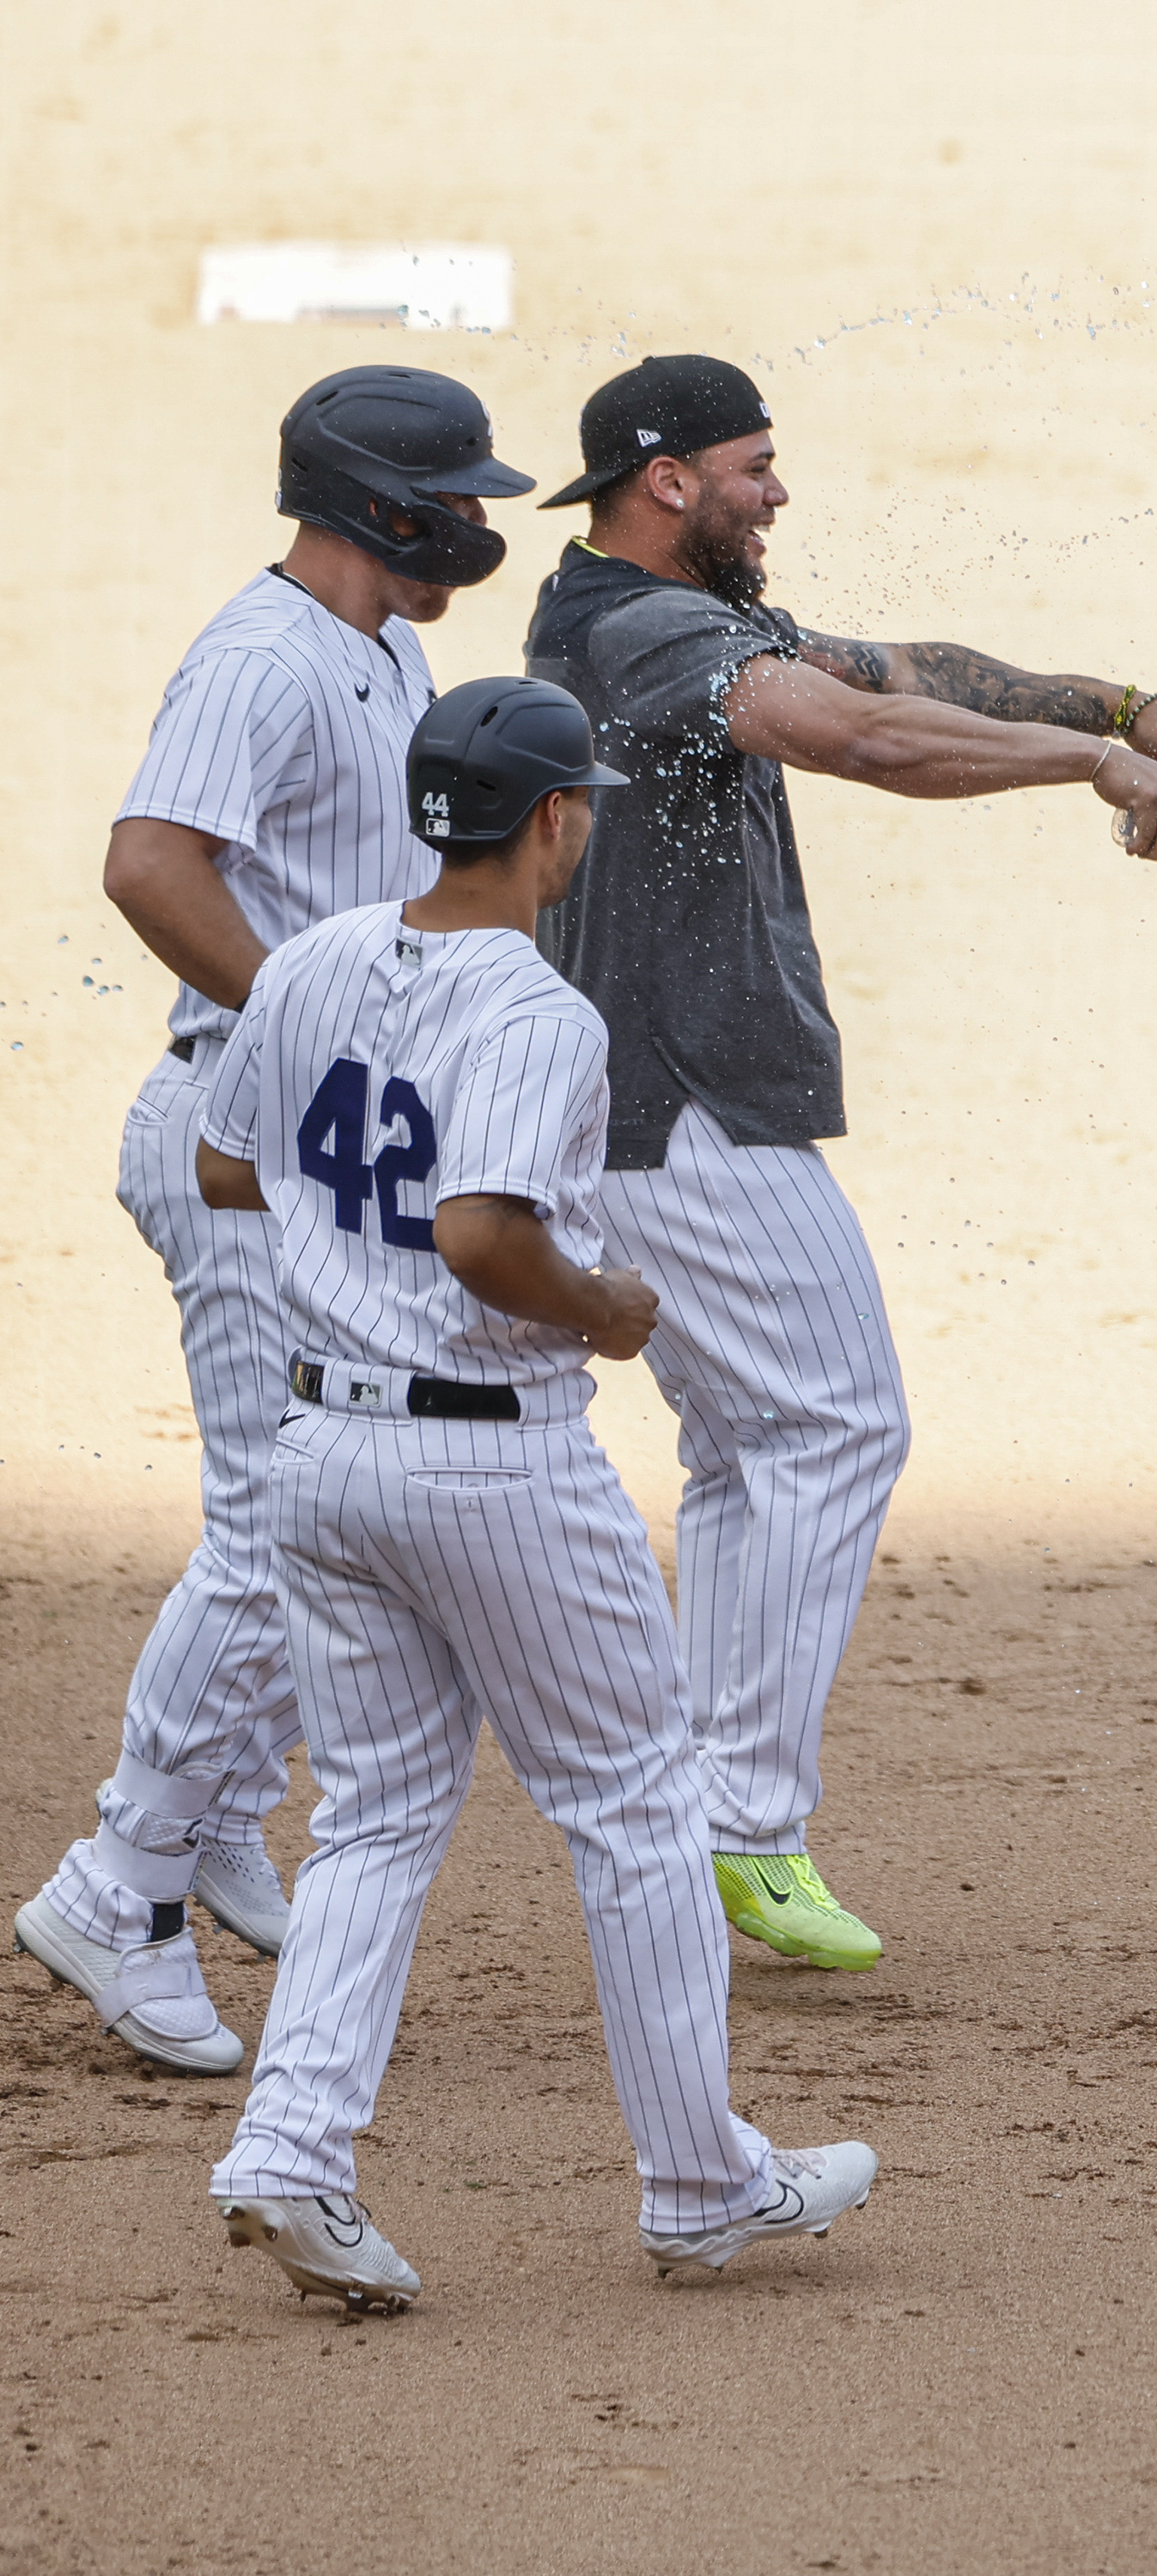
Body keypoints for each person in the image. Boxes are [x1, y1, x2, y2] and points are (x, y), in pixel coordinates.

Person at [523, 355, 1157, 1974]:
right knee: (836, 1420)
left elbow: (907, 664)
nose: (777, 493)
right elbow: (864, 734)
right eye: (754, 467)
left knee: (752, 1450)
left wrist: (1121, 706)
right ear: (666, 480)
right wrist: (1087, 767)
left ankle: (708, 1823)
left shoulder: (656, 614)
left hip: (661, 1106)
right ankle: (738, 1824)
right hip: (679, 1114)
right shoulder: (638, 633)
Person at [192, 678, 874, 2314]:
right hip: (488, 1455)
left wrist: (344, 1219)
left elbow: (229, 1163)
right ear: (554, 821)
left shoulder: (311, 961)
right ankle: (704, 2184)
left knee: (368, 1818)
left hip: (321, 1457)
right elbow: (487, 1239)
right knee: (636, 1807)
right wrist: (608, 1310)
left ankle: (290, 2156)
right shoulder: (539, 1012)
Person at [18, 368, 533, 2078]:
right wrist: (314, 1036)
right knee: (274, 1524)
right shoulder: (263, 657)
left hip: (310, 1138)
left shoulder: (381, 645)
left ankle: (220, 1820)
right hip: (243, 1133)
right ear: (376, 504)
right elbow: (151, 865)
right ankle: (119, 1887)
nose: (476, 519)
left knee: (306, 1510)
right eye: (451, 495)